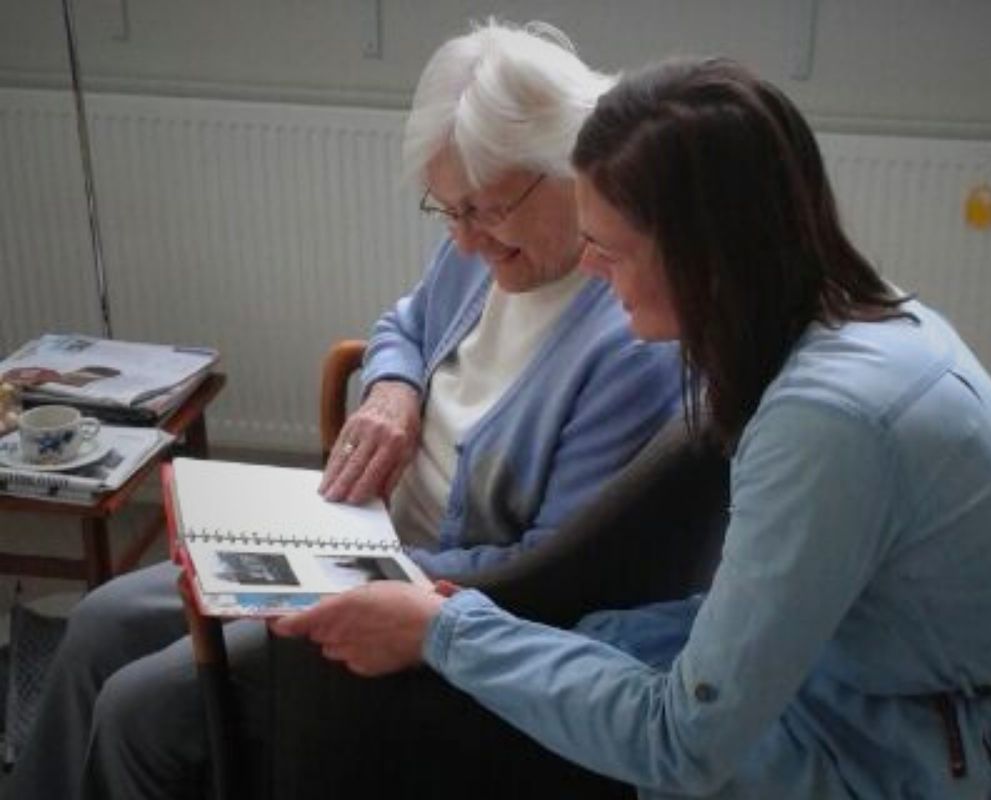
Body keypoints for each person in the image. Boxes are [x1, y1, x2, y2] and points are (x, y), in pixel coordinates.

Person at [273, 58, 991, 798]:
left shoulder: (827, 424)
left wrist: (451, 633)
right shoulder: (848, 311)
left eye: (609, 247)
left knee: (464, 715)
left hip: (947, 760)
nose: (589, 269)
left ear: (704, 254)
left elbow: (682, 742)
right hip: (893, 689)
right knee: (560, 654)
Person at [7, 21, 680, 800]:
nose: (462, 241)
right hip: (351, 540)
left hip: (419, 595)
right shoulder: (491, 248)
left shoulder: (629, 341)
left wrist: (355, 574)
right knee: (100, 622)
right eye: (447, 210)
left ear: (567, 165)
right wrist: (396, 390)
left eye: (483, 210)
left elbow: (553, 571)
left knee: (140, 708)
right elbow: (403, 326)